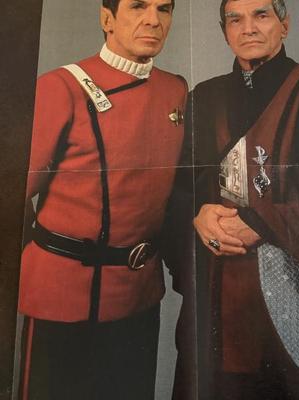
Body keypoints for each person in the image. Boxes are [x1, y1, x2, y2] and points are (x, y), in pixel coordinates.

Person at [170, 0, 299, 399]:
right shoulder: (204, 98)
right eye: (235, 19)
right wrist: (197, 216)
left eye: (261, 15)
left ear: (284, 25)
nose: (248, 28)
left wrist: (264, 221)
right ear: (225, 32)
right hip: (222, 292)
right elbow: (181, 188)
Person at [18, 1, 187, 399]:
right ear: (107, 18)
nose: (153, 20)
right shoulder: (61, 87)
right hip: (63, 298)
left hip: (139, 295)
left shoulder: (175, 90)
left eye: (164, 9)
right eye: (138, 6)